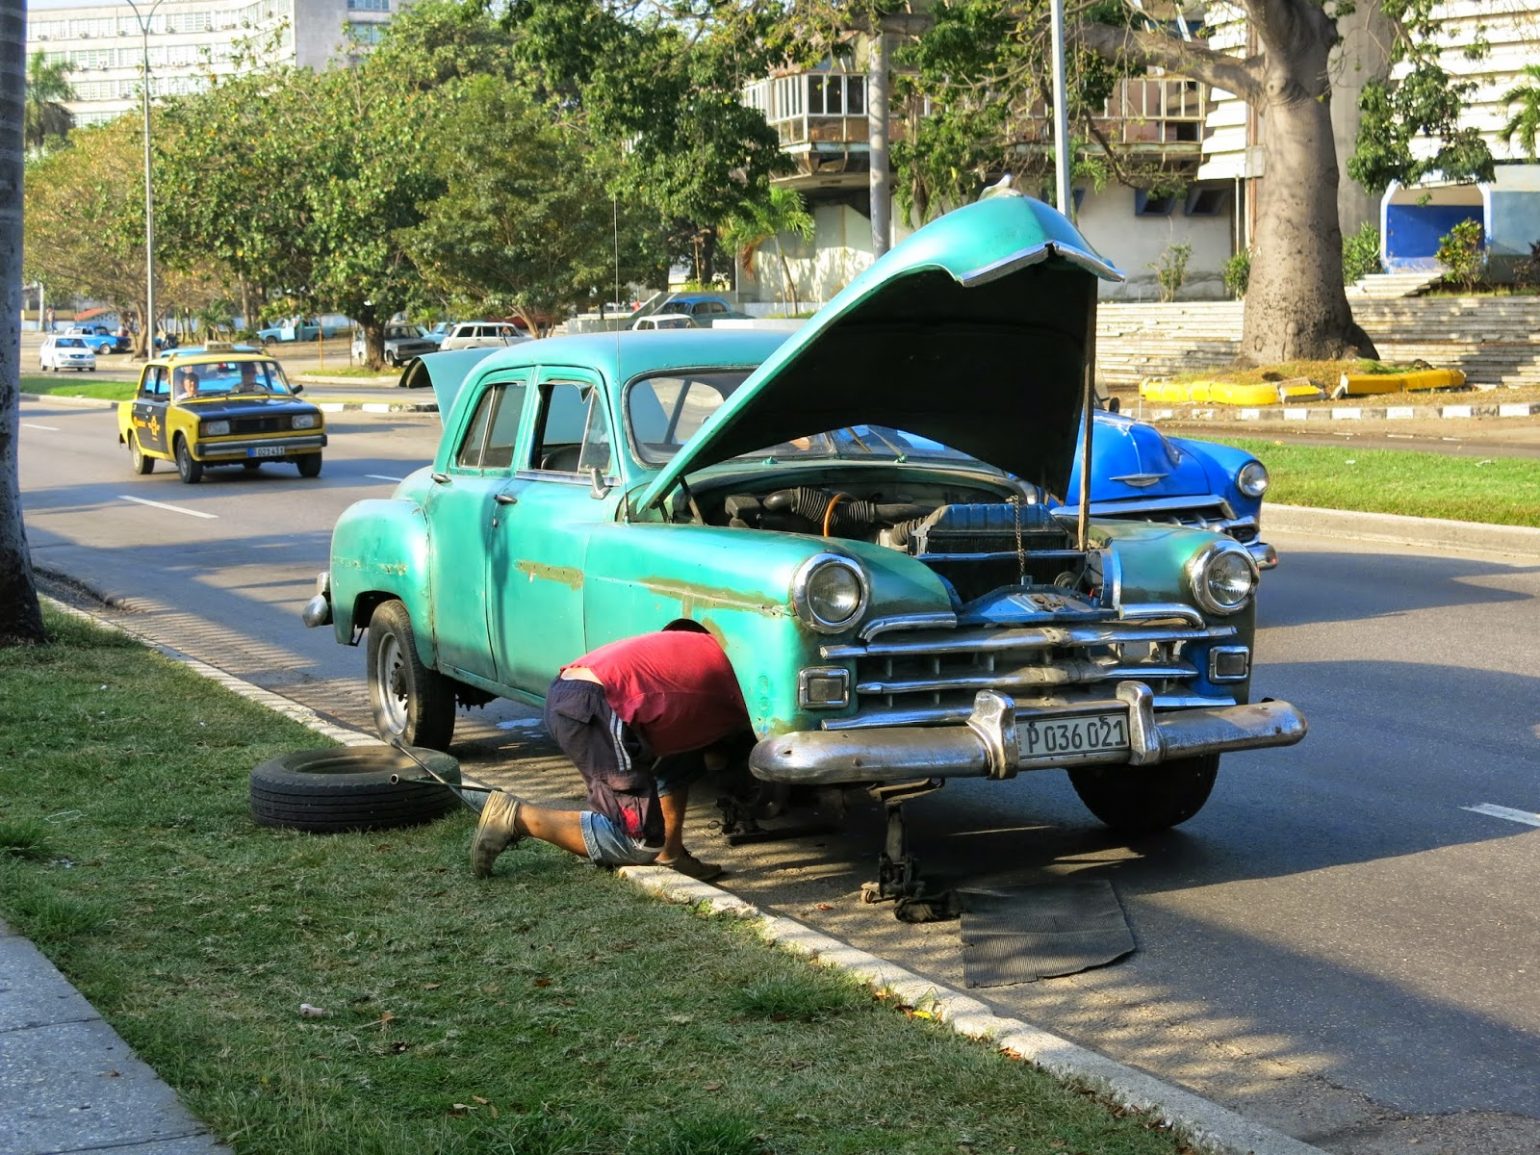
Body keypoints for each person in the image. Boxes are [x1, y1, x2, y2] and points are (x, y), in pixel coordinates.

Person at [471, 624, 752, 883]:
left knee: (683, 758)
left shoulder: (734, 651)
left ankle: (671, 853)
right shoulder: (746, 691)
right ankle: (517, 816)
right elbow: (722, 760)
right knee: (639, 842)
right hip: (595, 705)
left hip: (584, 691)